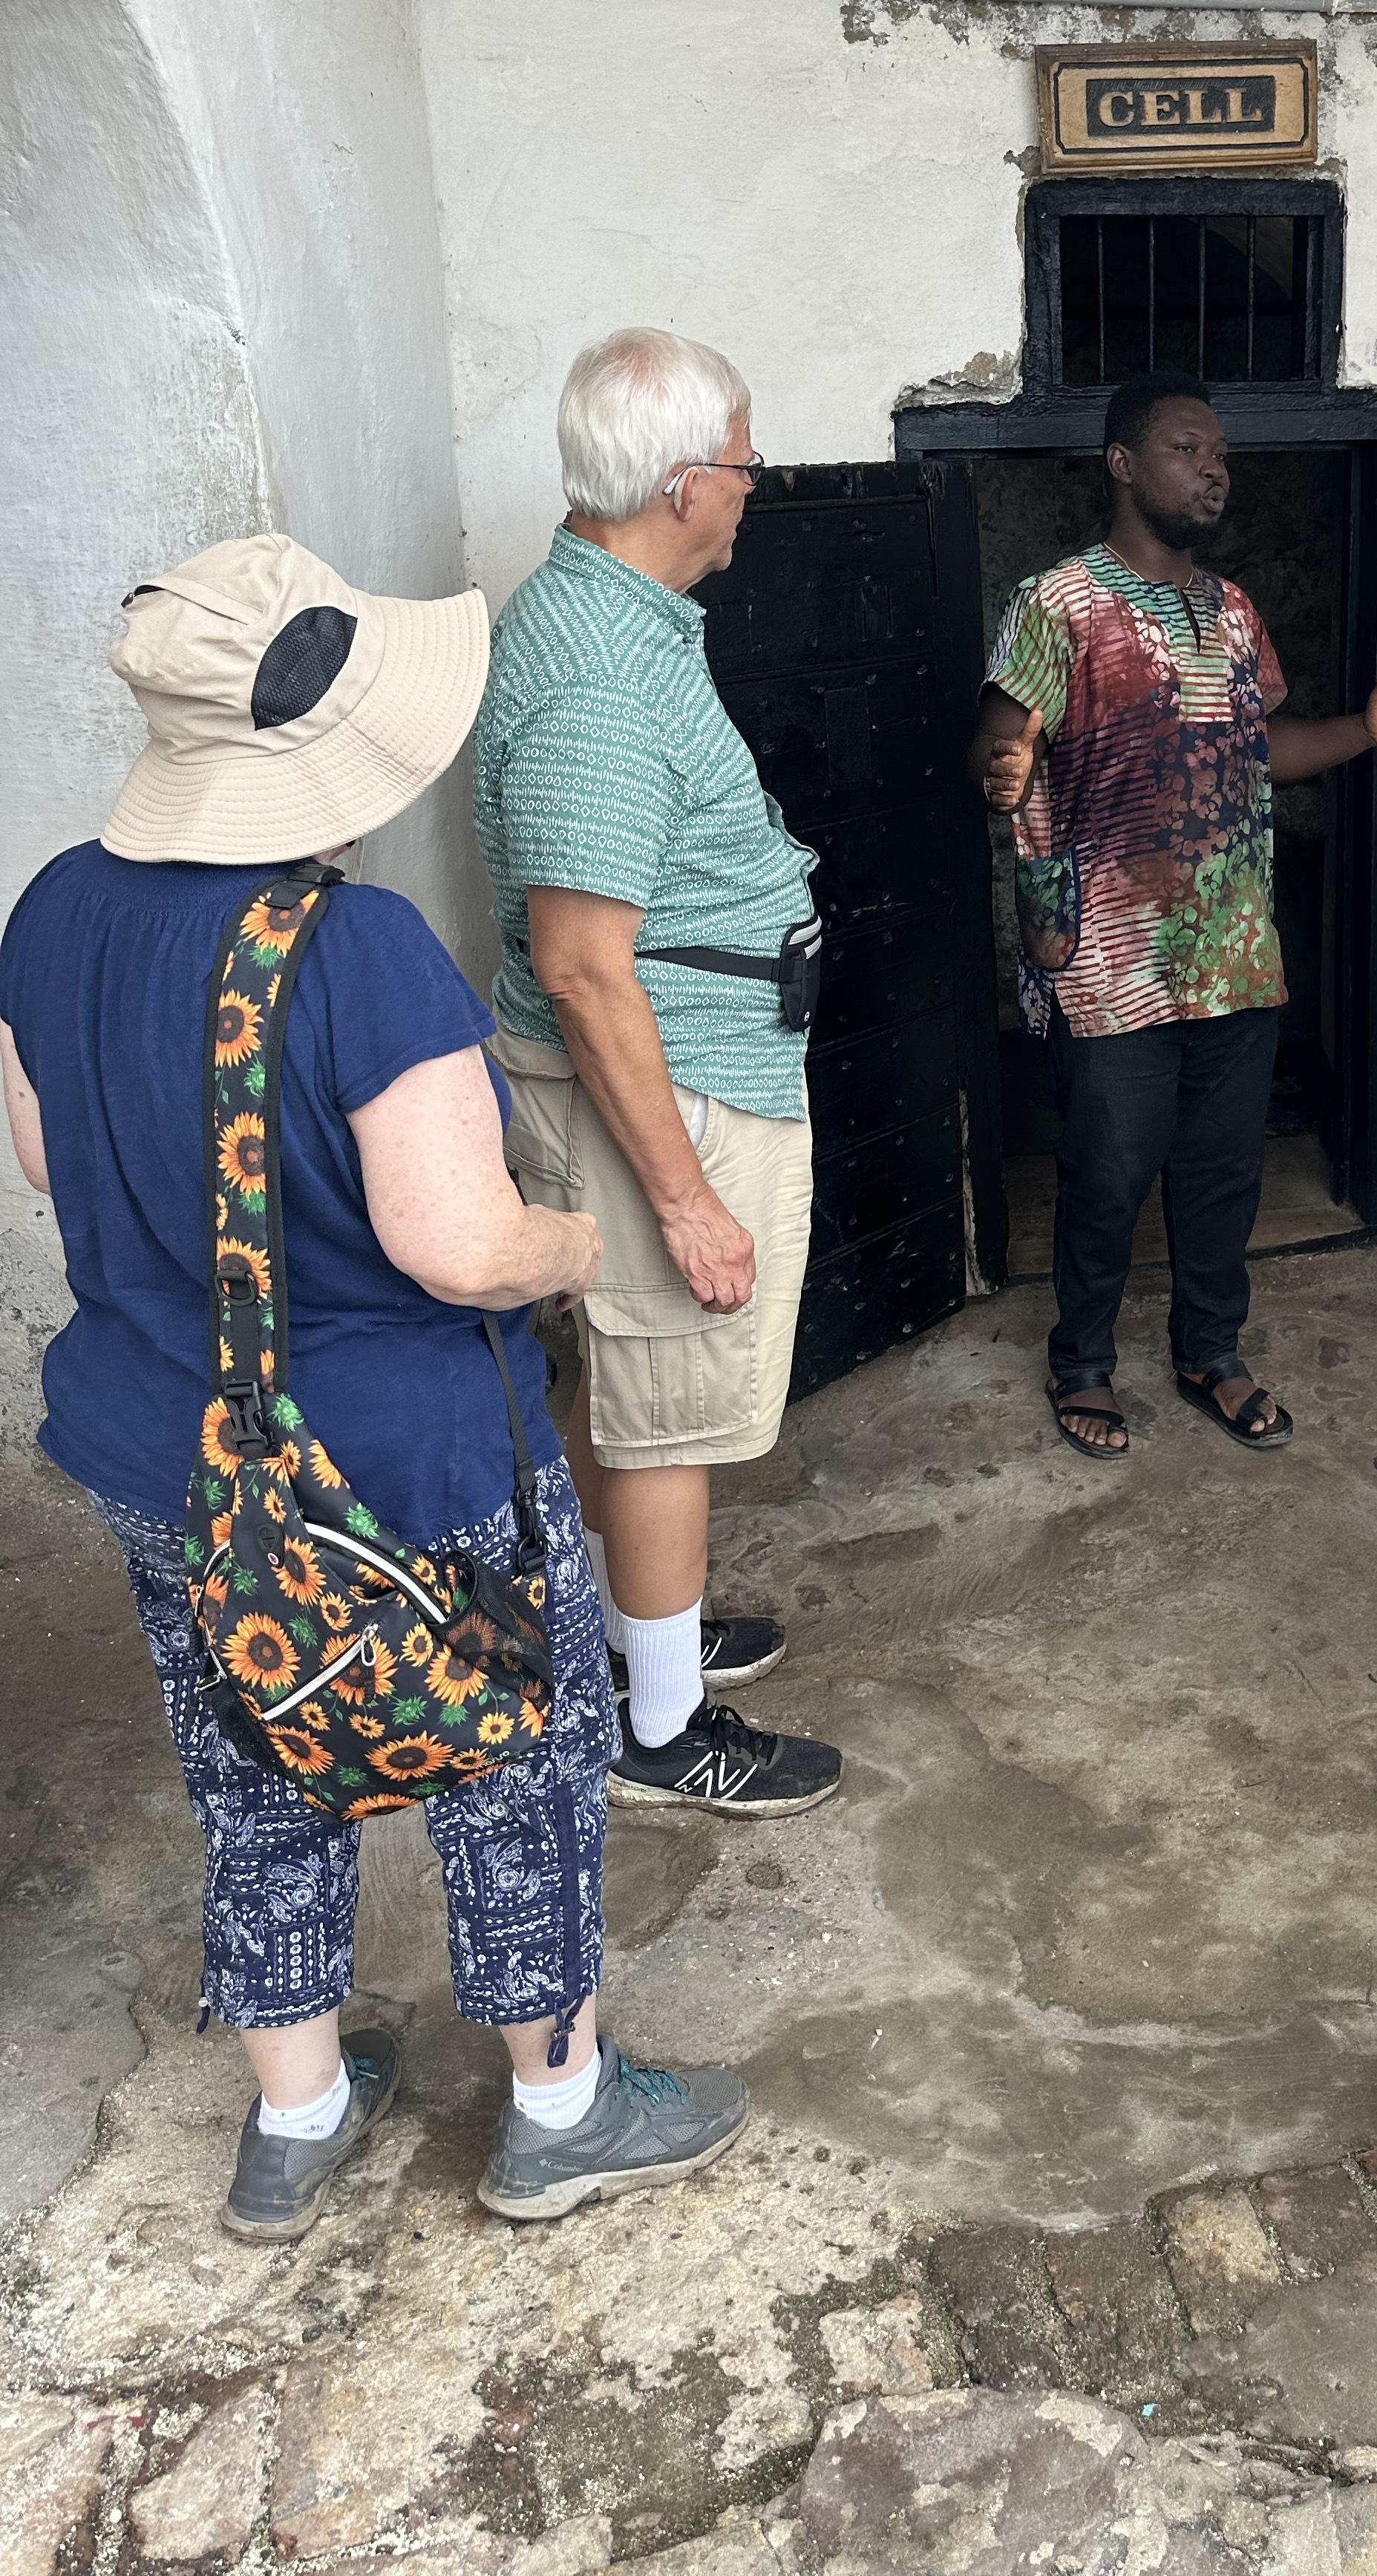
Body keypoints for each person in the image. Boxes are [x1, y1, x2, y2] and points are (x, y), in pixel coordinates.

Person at [0, 535, 749, 2240]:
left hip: (161, 1454)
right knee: (513, 1760)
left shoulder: (50, 910)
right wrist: (580, 1241)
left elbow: (47, 1161)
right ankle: (562, 2109)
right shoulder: (359, 952)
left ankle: (299, 2119)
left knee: (253, 1753)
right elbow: (458, 1247)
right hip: (406, 1470)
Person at [474, 328, 842, 1819]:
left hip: (685, 1064)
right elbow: (581, 967)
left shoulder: (616, 613)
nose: (754, 485)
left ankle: (632, 1633)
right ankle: (659, 1728)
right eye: (746, 461)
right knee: (667, 1402)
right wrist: (686, 1201)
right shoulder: (599, 679)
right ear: (686, 481)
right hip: (661, 1090)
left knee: (634, 1387)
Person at [967, 379, 1377, 1459]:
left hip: (1234, 952)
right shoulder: (1059, 603)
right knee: (1109, 1172)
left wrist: (1366, 732)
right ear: (1122, 465)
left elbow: (1260, 748)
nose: (1214, 470)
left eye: (1221, 454)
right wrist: (1004, 771)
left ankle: (1209, 1351)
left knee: (1225, 1173)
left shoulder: (1233, 610)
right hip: (1112, 959)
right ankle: (1082, 1362)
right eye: (1187, 448)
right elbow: (1003, 740)